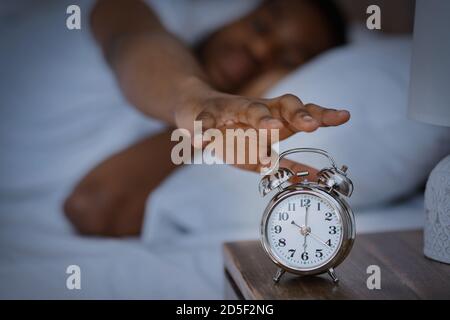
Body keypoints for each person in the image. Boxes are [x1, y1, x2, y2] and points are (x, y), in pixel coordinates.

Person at [64, 0, 351, 237]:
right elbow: (130, 35)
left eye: (288, 60)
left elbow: (92, 205)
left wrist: (213, 124)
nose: (260, 50)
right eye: (259, 26)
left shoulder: (221, 136)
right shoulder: (150, 13)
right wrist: (197, 100)